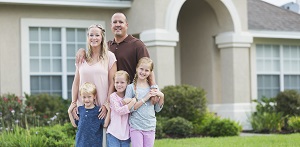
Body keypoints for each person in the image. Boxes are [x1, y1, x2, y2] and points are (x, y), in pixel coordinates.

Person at [76, 12, 159, 104]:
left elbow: (148, 69)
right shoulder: (107, 47)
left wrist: (154, 89)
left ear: (126, 25)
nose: (117, 24)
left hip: (133, 97)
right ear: (111, 26)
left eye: (121, 22)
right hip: (114, 98)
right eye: (115, 22)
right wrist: (82, 50)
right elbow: (92, 51)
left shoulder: (137, 45)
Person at [69, 24, 117, 147]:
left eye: (97, 35)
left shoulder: (109, 57)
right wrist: (74, 103)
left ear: (102, 37)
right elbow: (76, 82)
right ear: (87, 37)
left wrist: (107, 103)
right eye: (91, 35)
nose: (94, 38)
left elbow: (113, 82)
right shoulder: (82, 57)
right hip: (84, 107)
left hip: (102, 109)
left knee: (103, 143)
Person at [125, 57, 164, 147]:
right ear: (137, 68)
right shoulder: (130, 88)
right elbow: (129, 109)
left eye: (147, 70)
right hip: (136, 126)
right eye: (141, 69)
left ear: (150, 72)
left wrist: (162, 96)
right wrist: (145, 98)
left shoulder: (153, 88)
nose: (143, 72)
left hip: (150, 126)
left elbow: (157, 109)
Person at [68, 82, 111, 147]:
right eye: (84, 97)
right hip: (81, 143)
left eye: (89, 97)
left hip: (95, 144)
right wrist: (69, 112)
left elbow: (105, 125)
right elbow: (75, 124)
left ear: (94, 96)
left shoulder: (98, 110)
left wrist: (109, 111)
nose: (86, 100)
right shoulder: (80, 110)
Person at [106, 70, 136, 147]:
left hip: (126, 134)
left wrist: (131, 100)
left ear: (127, 83)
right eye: (117, 82)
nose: (119, 85)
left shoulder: (130, 97)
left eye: (122, 82)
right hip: (113, 133)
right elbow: (119, 111)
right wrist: (132, 102)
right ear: (114, 83)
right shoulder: (113, 96)